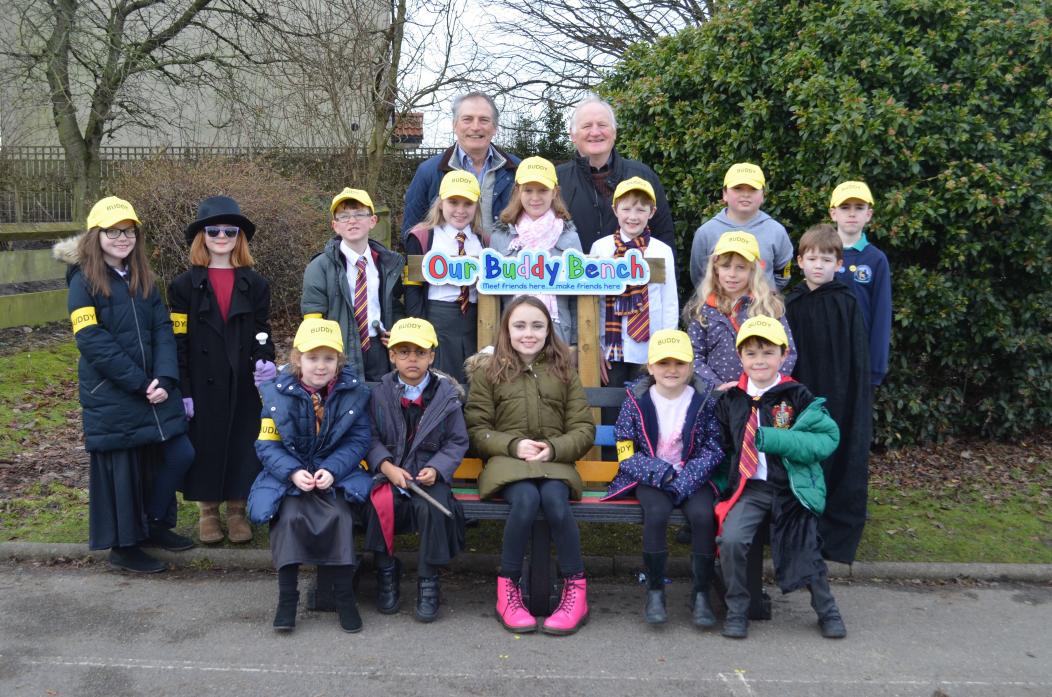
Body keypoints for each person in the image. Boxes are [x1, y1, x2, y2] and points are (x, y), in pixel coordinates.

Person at [56, 196, 195, 573]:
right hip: (115, 393)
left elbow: (163, 329)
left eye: (128, 231)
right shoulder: (82, 281)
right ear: (95, 235)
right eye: (113, 231)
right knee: (125, 469)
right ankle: (124, 547)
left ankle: (152, 524)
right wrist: (139, 383)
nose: (122, 238)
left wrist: (165, 378)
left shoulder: (144, 279)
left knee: (179, 454)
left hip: (156, 388)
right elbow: (91, 340)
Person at [464, 297, 596, 636]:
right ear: (506, 329)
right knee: (525, 500)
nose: (528, 333)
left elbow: (583, 429)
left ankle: (575, 591)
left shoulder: (564, 369)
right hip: (507, 462)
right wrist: (512, 445)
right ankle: (507, 590)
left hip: (555, 463)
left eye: (537, 326)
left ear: (548, 329)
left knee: (554, 500)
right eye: (520, 326)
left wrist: (553, 449)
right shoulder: (488, 371)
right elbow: (477, 429)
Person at [712, 316, 845, 640]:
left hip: (790, 489)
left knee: (806, 545)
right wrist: (718, 488)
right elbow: (720, 446)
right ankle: (738, 610)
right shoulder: (732, 399)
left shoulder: (797, 396)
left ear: (783, 355)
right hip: (750, 489)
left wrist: (775, 439)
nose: (760, 361)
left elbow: (825, 440)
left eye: (768, 353)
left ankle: (827, 611)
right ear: (740, 357)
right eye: (752, 354)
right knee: (730, 541)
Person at [247, 318, 373, 634]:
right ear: (297, 359)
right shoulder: (275, 394)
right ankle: (287, 598)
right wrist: (291, 473)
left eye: (329, 359)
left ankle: (344, 597)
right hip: (290, 476)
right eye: (312, 358)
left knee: (340, 518)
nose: (320, 366)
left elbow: (359, 440)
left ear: (339, 362)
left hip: (334, 476)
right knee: (288, 518)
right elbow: (267, 444)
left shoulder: (355, 393)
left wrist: (332, 469)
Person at [169, 196, 275, 545]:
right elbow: (178, 341)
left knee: (243, 442)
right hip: (202, 380)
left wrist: (265, 358)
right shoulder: (183, 287)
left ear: (239, 237)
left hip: (242, 379)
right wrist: (182, 389)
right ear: (202, 236)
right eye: (213, 230)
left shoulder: (256, 283)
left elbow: (262, 329)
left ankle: (237, 511)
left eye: (230, 230)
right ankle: (208, 512)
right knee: (207, 444)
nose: (221, 236)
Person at [601, 330, 723, 628]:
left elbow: (713, 447)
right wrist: (661, 473)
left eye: (679, 363)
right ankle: (655, 591)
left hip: (691, 477)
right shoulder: (637, 399)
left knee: (703, 516)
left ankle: (701, 594)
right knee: (656, 513)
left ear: (691, 367)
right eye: (663, 363)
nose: (672, 370)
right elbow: (625, 448)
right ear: (650, 367)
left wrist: (684, 479)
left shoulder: (703, 399)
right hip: (650, 476)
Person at [364, 318, 468, 623]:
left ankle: (428, 579)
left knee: (433, 509)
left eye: (419, 352)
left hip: (427, 475)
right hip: (390, 472)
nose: (412, 359)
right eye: (404, 352)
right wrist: (385, 465)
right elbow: (369, 436)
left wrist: (437, 469)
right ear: (392, 355)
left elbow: (457, 441)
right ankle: (386, 571)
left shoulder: (446, 395)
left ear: (432, 356)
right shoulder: (380, 393)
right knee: (379, 505)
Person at [785, 224, 872, 564]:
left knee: (835, 454)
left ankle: (831, 528)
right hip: (801, 392)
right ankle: (797, 522)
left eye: (826, 259)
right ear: (800, 261)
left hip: (838, 393)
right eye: (812, 258)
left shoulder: (845, 302)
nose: (818, 265)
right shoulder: (792, 303)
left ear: (838, 264)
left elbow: (857, 356)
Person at [302, 187, 405, 382]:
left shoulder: (387, 264)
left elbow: (394, 304)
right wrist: (320, 353)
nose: (352, 220)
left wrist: (398, 330)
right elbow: (313, 319)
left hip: (378, 347)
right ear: (335, 225)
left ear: (373, 221)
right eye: (344, 216)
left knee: (380, 401)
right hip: (339, 348)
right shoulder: (320, 267)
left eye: (359, 214)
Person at [589, 177, 678, 390]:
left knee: (645, 409)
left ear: (652, 212)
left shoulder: (660, 251)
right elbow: (593, 303)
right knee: (611, 410)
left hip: (649, 350)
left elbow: (669, 303)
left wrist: (664, 352)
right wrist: (596, 348)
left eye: (640, 210)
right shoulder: (601, 250)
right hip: (611, 348)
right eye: (626, 209)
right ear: (615, 210)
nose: (632, 217)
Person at [556, 95, 675, 253]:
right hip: (573, 276)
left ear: (614, 132)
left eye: (602, 124)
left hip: (635, 277)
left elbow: (664, 237)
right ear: (573, 135)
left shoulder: (643, 176)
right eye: (587, 126)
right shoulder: (556, 181)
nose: (595, 132)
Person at [685, 230, 796, 391]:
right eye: (725, 266)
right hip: (718, 398)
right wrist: (717, 386)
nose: (732, 274)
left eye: (740, 268)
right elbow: (693, 356)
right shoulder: (703, 310)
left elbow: (788, 351)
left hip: (763, 394)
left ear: (753, 270)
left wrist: (768, 385)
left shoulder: (768, 307)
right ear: (715, 268)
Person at [490, 156, 583, 345]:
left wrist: (575, 344)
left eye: (542, 190)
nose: (535, 197)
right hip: (512, 338)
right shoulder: (500, 237)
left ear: (554, 192)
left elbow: (578, 297)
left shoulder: (569, 237)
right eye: (528, 190)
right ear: (517, 191)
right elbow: (492, 297)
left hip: (557, 335)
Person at [402, 92, 520, 239]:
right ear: (454, 125)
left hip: (505, 261)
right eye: (467, 119)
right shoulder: (429, 171)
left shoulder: (517, 170)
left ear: (495, 127)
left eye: (484, 120)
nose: (476, 127)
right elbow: (411, 232)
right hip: (445, 261)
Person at [404, 170, 484, 383]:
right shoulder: (423, 237)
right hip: (437, 319)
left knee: (475, 383)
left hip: (476, 320)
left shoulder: (484, 240)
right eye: (453, 202)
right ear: (441, 203)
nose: (460, 210)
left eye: (467, 204)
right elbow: (412, 289)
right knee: (442, 383)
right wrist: (418, 332)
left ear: (476, 206)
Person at [689, 163, 794, 290]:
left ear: (763, 195)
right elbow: (699, 277)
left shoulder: (776, 231)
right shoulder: (706, 233)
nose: (745, 194)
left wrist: (765, 296)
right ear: (725, 194)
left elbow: (783, 275)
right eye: (738, 188)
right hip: (719, 308)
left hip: (762, 308)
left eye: (753, 189)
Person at [829, 180, 892, 388]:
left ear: (869, 214)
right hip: (824, 359)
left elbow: (882, 315)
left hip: (860, 363)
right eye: (845, 207)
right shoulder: (822, 254)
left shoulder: (876, 259)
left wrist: (875, 369)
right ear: (833, 213)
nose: (852, 214)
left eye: (859, 208)